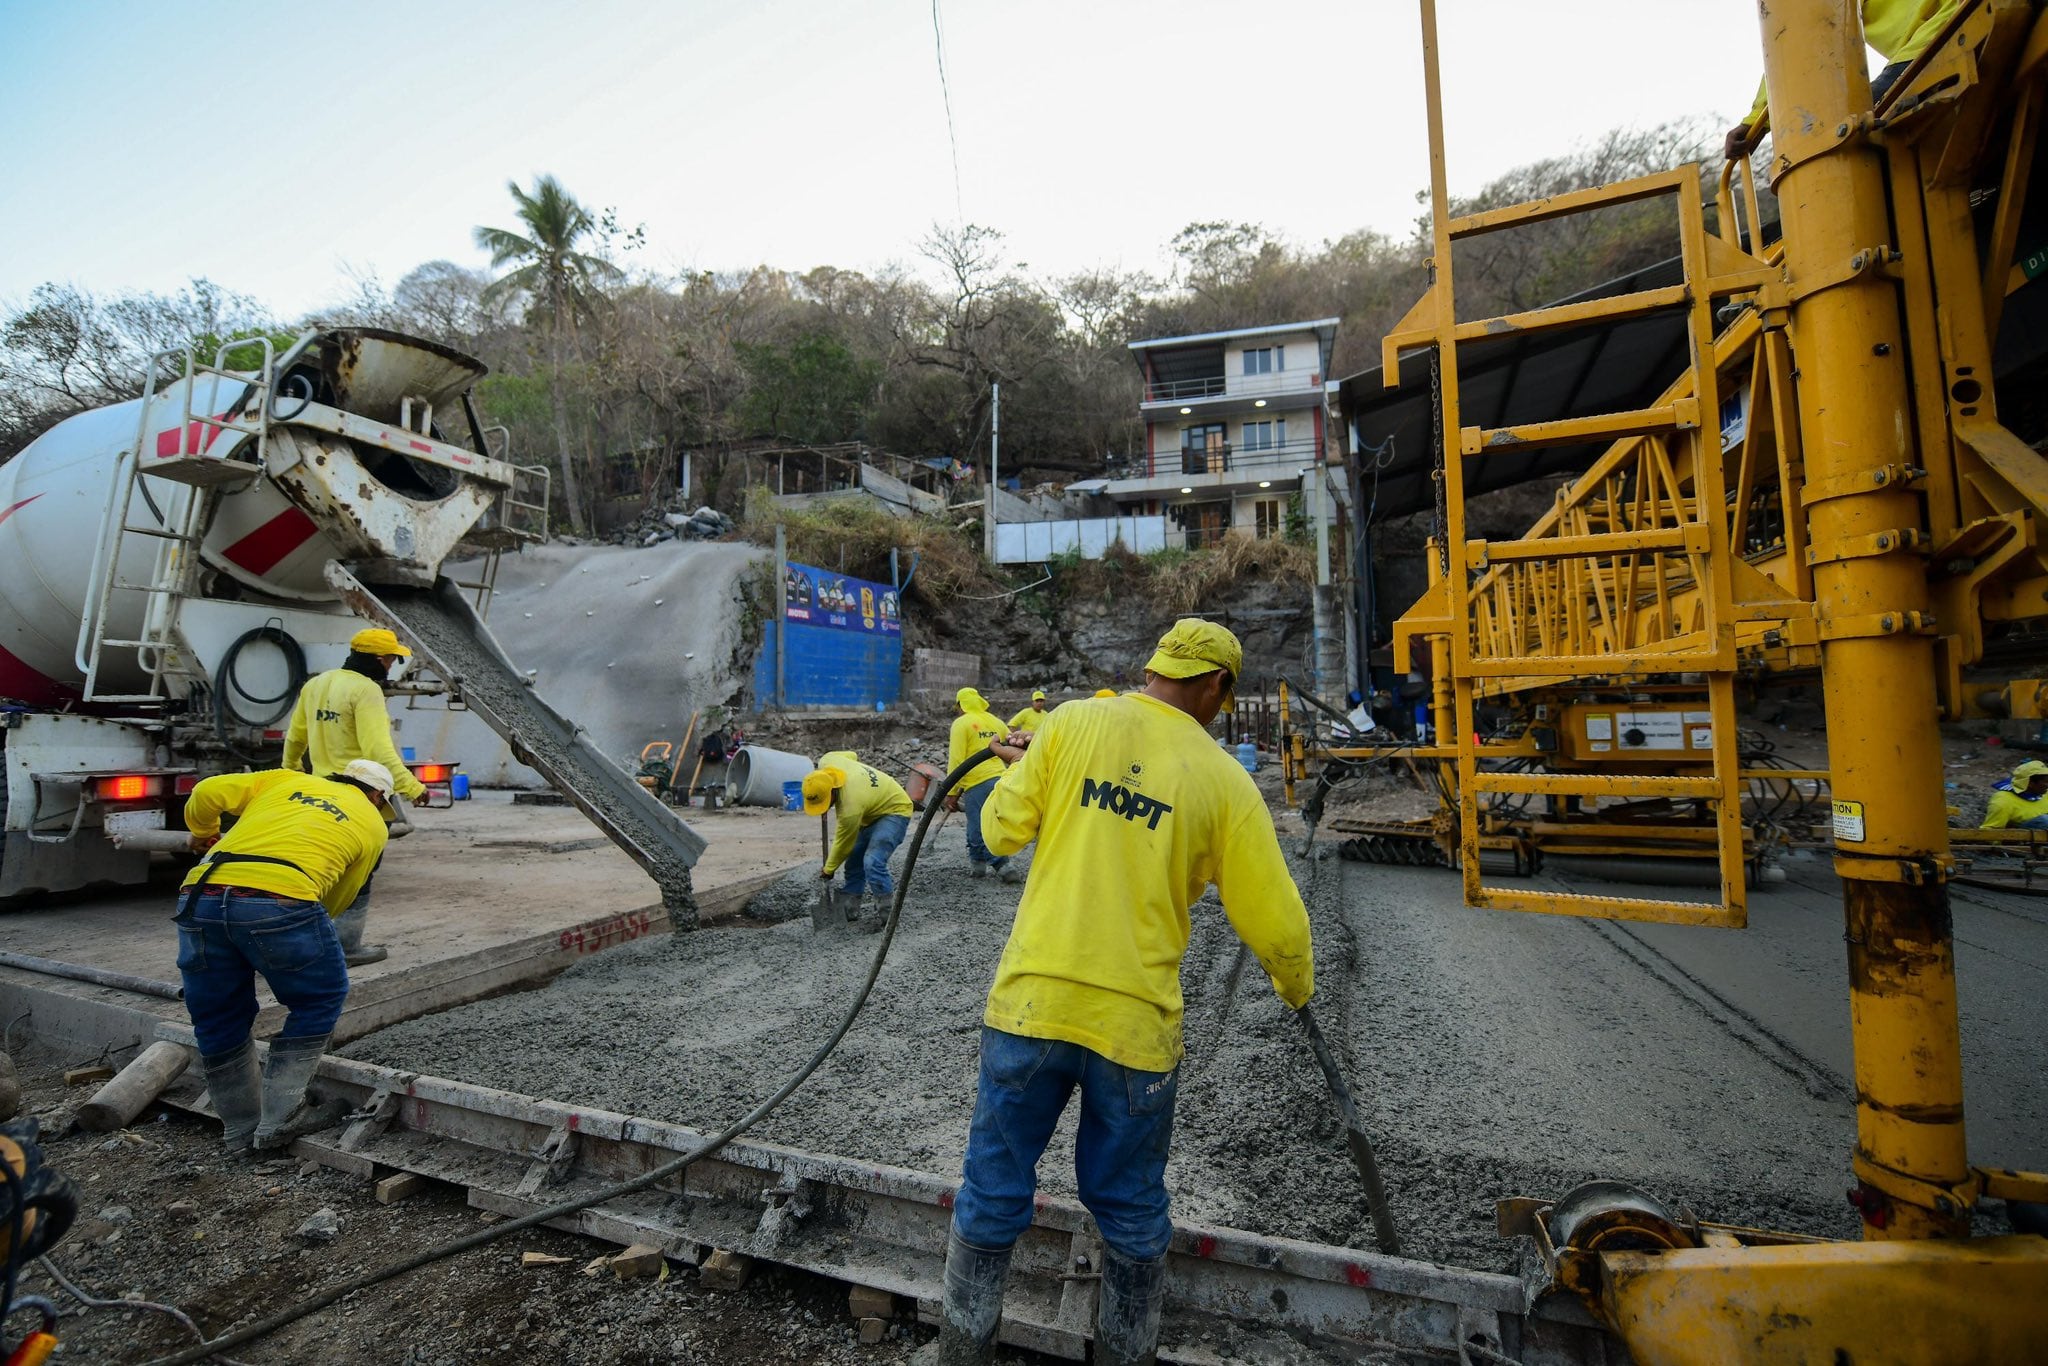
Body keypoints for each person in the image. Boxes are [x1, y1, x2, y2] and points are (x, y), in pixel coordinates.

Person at [919, 620, 1315, 1366]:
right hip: (1135, 1032)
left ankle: (962, 1352)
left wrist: (1040, 773)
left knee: (994, 1184)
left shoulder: (1070, 724)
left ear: (1155, 666)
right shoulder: (1224, 780)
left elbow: (1002, 831)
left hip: (1031, 1009)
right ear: (1217, 687)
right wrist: (1297, 987)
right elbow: (1278, 922)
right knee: (1130, 1208)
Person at [177, 760, 395, 1153]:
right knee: (320, 996)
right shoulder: (375, 825)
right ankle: (281, 1115)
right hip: (284, 896)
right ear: (378, 796)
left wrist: (202, 834)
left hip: (201, 893)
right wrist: (282, 940)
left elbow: (206, 792)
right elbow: (339, 897)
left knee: (217, 1014)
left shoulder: (286, 780)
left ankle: (240, 1130)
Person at [282, 627, 427, 966]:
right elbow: (380, 751)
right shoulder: (366, 690)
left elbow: (295, 736)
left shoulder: (316, 684)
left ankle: (305, 941)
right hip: (360, 795)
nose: (392, 665)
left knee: (321, 869)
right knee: (359, 871)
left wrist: (290, 771)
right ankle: (345, 947)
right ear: (380, 659)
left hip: (319, 794)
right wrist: (413, 788)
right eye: (391, 659)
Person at [1725, 1, 1960, 160]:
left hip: (1942, 28)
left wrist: (1757, 121)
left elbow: (1800, 38)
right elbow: (1801, 36)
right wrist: (1757, 119)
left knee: (1851, 130)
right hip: (1931, 37)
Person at [805, 750, 915, 927]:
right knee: (854, 859)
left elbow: (843, 843)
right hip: (869, 810)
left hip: (894, 810)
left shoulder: (850, 807)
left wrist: (828, 869)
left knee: (872, 861)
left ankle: (888, 915)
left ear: (833, 790)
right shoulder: (829, 760)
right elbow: (852, 755)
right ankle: (849, 909)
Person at [947, 688, 1017, 883]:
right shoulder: (995, 721)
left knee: (978, 824)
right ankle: (977, 865)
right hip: (1000, 778)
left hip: (977, 782)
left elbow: (956, 760)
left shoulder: (961, 724)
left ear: (961, 705)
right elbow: (1013, 744)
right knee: (993, 821)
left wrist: (951, 792)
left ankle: (1001, 865)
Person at [1982, 759, 2048, 830]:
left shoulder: (2044, 793)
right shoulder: (2003, 800)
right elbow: (1990, 831)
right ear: (2031, 784)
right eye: (2046, 782)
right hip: (2022, 839)